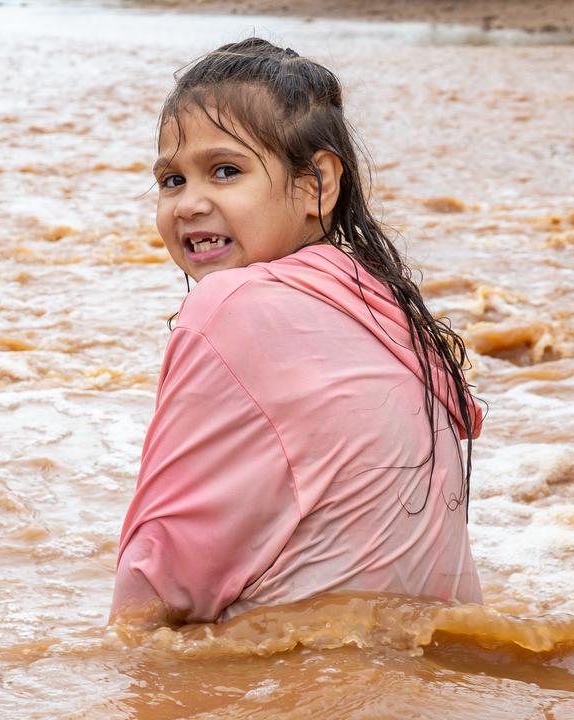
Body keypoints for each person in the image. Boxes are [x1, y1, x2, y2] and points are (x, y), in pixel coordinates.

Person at [111, 38, 485, 627]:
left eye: (225, 171)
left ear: (317, 185)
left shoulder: (227, 303)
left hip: (302, 677)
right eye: (171, 181)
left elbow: (161, 572)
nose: (187, 204)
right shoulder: (380, 303)